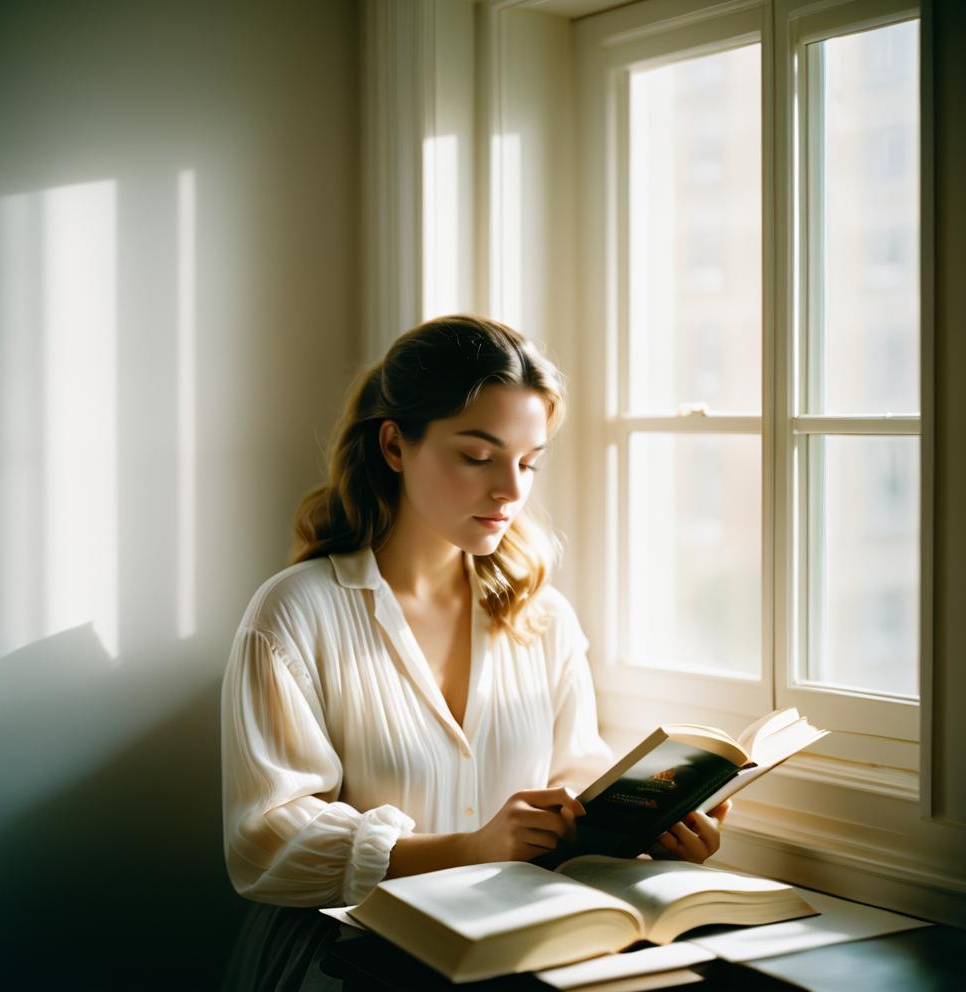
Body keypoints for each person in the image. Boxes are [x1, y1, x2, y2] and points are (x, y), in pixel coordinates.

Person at [220, 315, 730, 990]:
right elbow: (268, 841)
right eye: (478, 456)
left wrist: (652, 827)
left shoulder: (541, 617)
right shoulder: (295, 612)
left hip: (509, 958)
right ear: (396, 446)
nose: (511, 492)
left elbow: (576, 776)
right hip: (343, 964)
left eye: (527, 462)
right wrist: (467, 849)